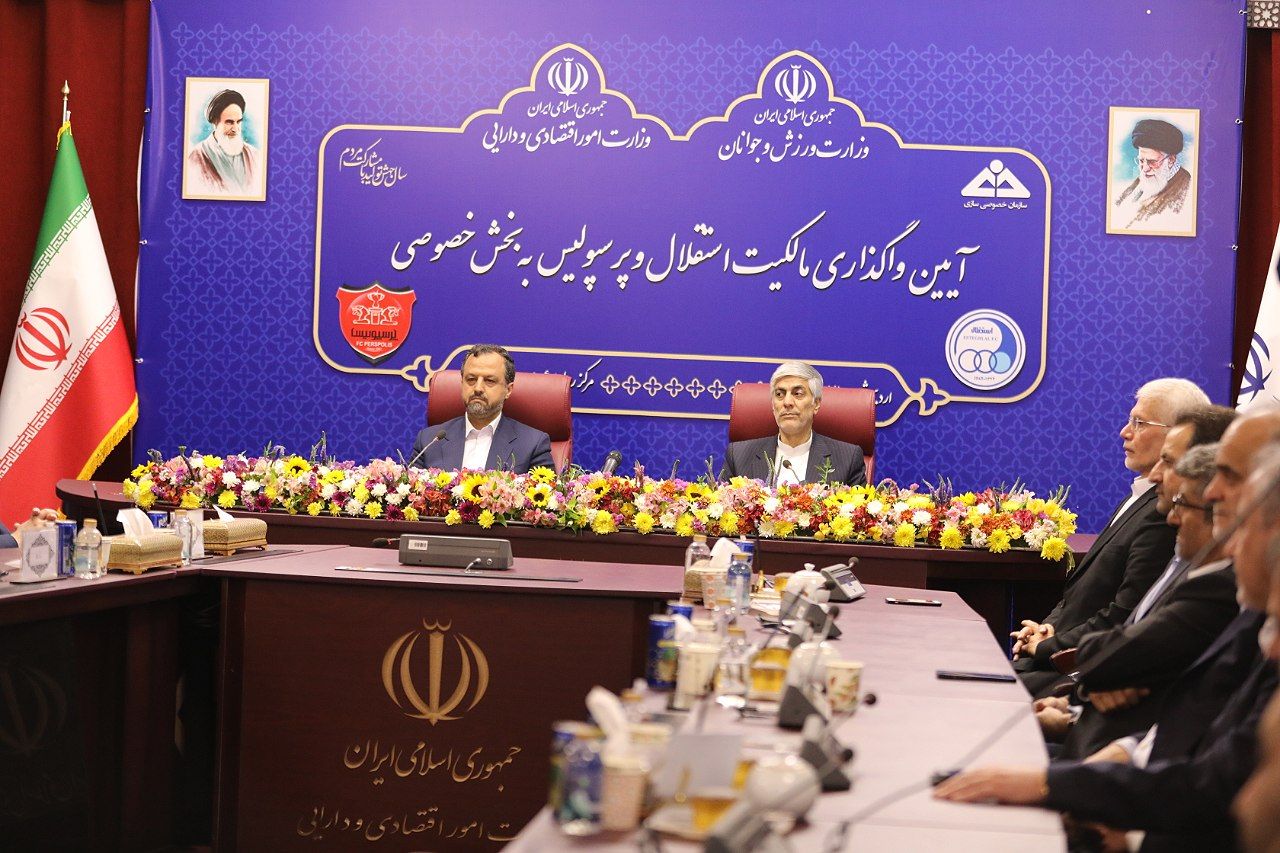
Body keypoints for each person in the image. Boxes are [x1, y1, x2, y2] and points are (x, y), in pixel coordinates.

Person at [935, 419, 1280, 853]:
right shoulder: (1252, 616)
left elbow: (1212, 784)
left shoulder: (1230, 599)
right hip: (1118, 768)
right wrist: (1090, 705)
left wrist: (1060, 788)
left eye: (1228, 479)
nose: (1210, 497)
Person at [1012, 378, 1209, 697]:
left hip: (1082, 670)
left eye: (1139, 423)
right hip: (1060, 655)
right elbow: (1078, 597)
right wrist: (1047, 629)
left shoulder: (1162, 514)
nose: (1125, 432)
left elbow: (1125, 612)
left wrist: (1047, 645)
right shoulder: (1138, 497)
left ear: (1177, 434)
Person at [1058, 444, 1239, 759]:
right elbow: (1119, 654)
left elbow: (1112, 653)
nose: (1172, 518)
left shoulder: (1217, 588)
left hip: (1114, 757)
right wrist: (1092, 687)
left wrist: (1101, 677)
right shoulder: (1192, 568)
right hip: (1095, 734)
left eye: (1182, 504)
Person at [409, 344, 553, 474]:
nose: (478, 388)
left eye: (489, 381)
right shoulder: (429, 441)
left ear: (508, 390)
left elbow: (545, 493)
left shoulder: (533, 444)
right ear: (462, 383)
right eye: (471, 379)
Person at [721, 361, 866, 487]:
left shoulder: (848, 459)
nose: (787, 402)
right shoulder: (738, 456)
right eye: (779, 394)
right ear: (773, 405)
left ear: (816, 403)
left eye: (798, 394)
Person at [1112, 118, 1193, 231]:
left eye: (1152, 162)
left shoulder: (1187, 189)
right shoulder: (1141, 181)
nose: (1145, 169)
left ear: (1171, 160)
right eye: (1141, 161)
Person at [186, 89, 261, 195]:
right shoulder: (195, 158)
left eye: (238, 122)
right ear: (215, 122)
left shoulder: (254, 155)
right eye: (229, 122)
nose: (235, 129)